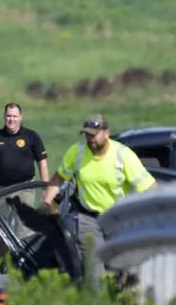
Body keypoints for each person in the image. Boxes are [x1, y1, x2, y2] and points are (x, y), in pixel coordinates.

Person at [42, 113, 155, 281]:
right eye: (87, 135)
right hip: (88, 218)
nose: (90, 139)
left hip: (118, 219)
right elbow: (58, 178)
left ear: (106, 133)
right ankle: (97, 302)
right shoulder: (77, 152)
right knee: (95, 267)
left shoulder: (123, 155)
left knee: (127, 271)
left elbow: (150, 188)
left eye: (94, 134)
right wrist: (46, 203)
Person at [0, 102, 48, 200]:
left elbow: (42, 163)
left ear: (20, 117)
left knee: (22, 215)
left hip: (25, 188)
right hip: (1, 189)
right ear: (4, 117)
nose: (11, 119)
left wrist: (45, 188)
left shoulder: (31, 136)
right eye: (9, 116)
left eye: (15, 116)